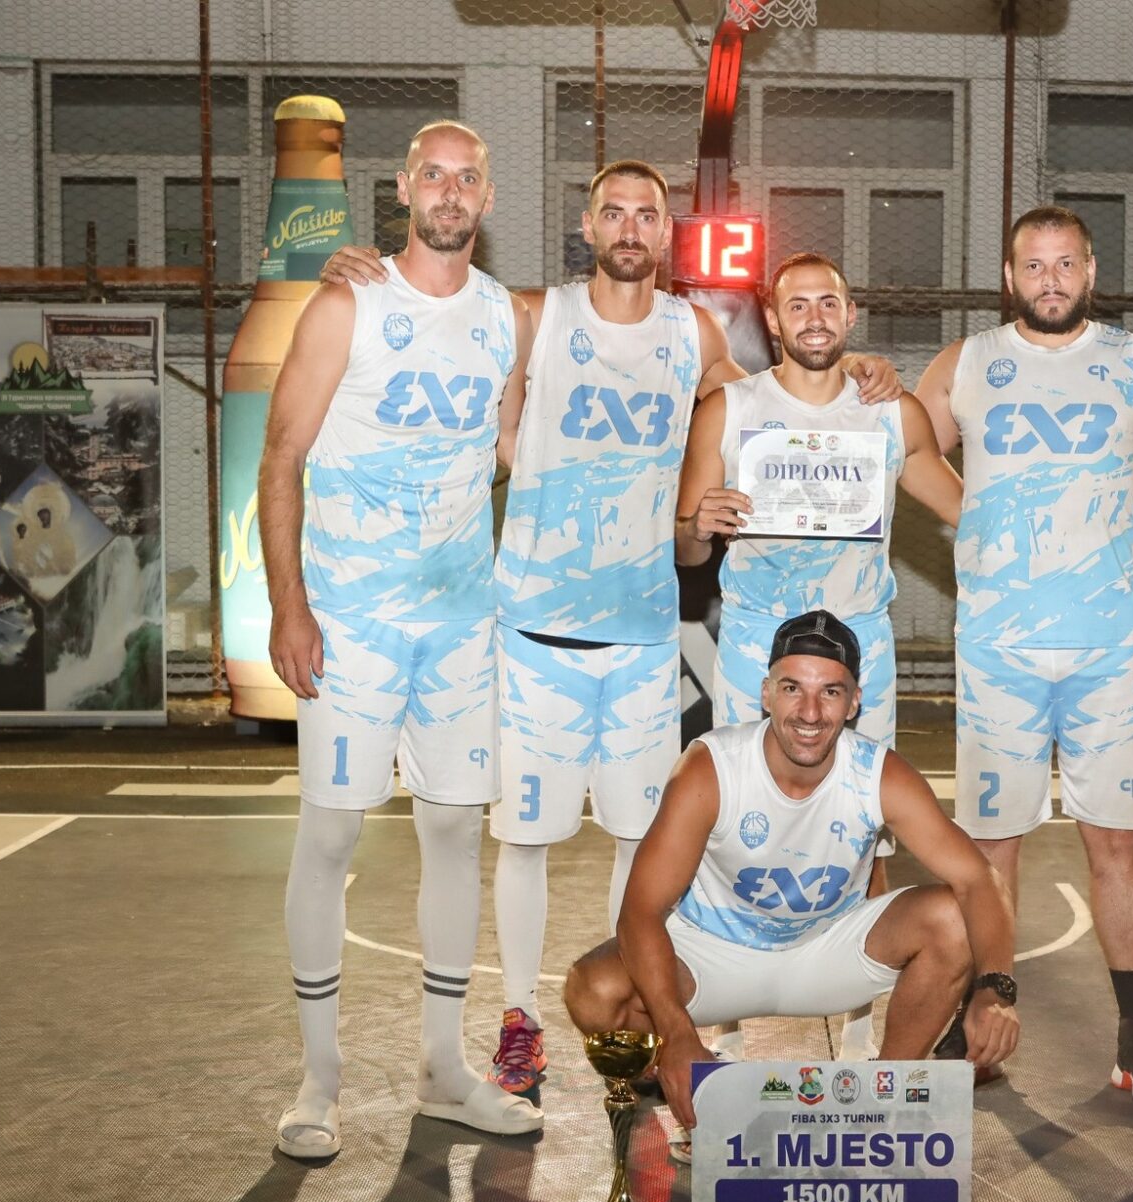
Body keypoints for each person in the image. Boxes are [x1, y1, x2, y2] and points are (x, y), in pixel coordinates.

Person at [320, 163, 901, 1110]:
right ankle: (518, 1023)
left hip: (642, 633)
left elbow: (782, 402)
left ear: (667, 233)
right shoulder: (535, 316)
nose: (631, 228)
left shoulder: (694, 332)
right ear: (586, 226)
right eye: (614, 213)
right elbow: (443, 320)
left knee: (644, 845)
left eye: (648, 215)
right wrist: (367, 279)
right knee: (526, 841)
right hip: (535, 627)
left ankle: (637, 1016)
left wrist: (863, 371)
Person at [261, 120, 542, 1159]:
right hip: (352, 624)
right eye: (434, 175)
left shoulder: (505, 318)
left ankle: (442, 1068)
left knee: (456, 834)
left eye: (468, 177)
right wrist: (289, 606)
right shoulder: (349, 303)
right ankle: (319, 1077)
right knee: (332, 835)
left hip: (460, 625)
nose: (450, 192)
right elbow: (280, 457)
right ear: (404, 187)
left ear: (488, 196)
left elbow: (513, 448)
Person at [913, 206, 1133, 1108]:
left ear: (1090, 271)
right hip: (999, 647)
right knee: (991, 848)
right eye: (1033, 265)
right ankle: (982, 1015)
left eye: (1065, 264)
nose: (1049, 280)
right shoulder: (968, 362)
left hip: (1103, 646)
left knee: (1115, 846)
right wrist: (969, 507)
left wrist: (1124, 466)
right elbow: (901, 444)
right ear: (1009, 276)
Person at [562, 610, 1021, 1158]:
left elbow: (979, 879)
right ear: (766, 694)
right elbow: (640, 910)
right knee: (594, 992)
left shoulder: (879, 774)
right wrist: (677, 1035)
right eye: (792, 688)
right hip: (715, 954)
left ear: (854, 703)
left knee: (950, 919)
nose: (809, 711)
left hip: (827, 951)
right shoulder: (712, 768)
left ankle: (883, 1101)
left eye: (830, 692)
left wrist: (996, 989)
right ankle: (698, 1096)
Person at [676, 250, 964, 1061]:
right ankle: (723, 1028)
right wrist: (699, 524)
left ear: (850, 312)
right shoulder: (728, 410)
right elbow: (685, 546)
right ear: (772, 319)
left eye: (828, 302)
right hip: (755, 646)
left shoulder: (890, 411)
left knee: (866, 827)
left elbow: (964, 507)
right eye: (796, 304)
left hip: (858, 646)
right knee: (729, 823)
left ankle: (864, 1030)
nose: (813, 317)